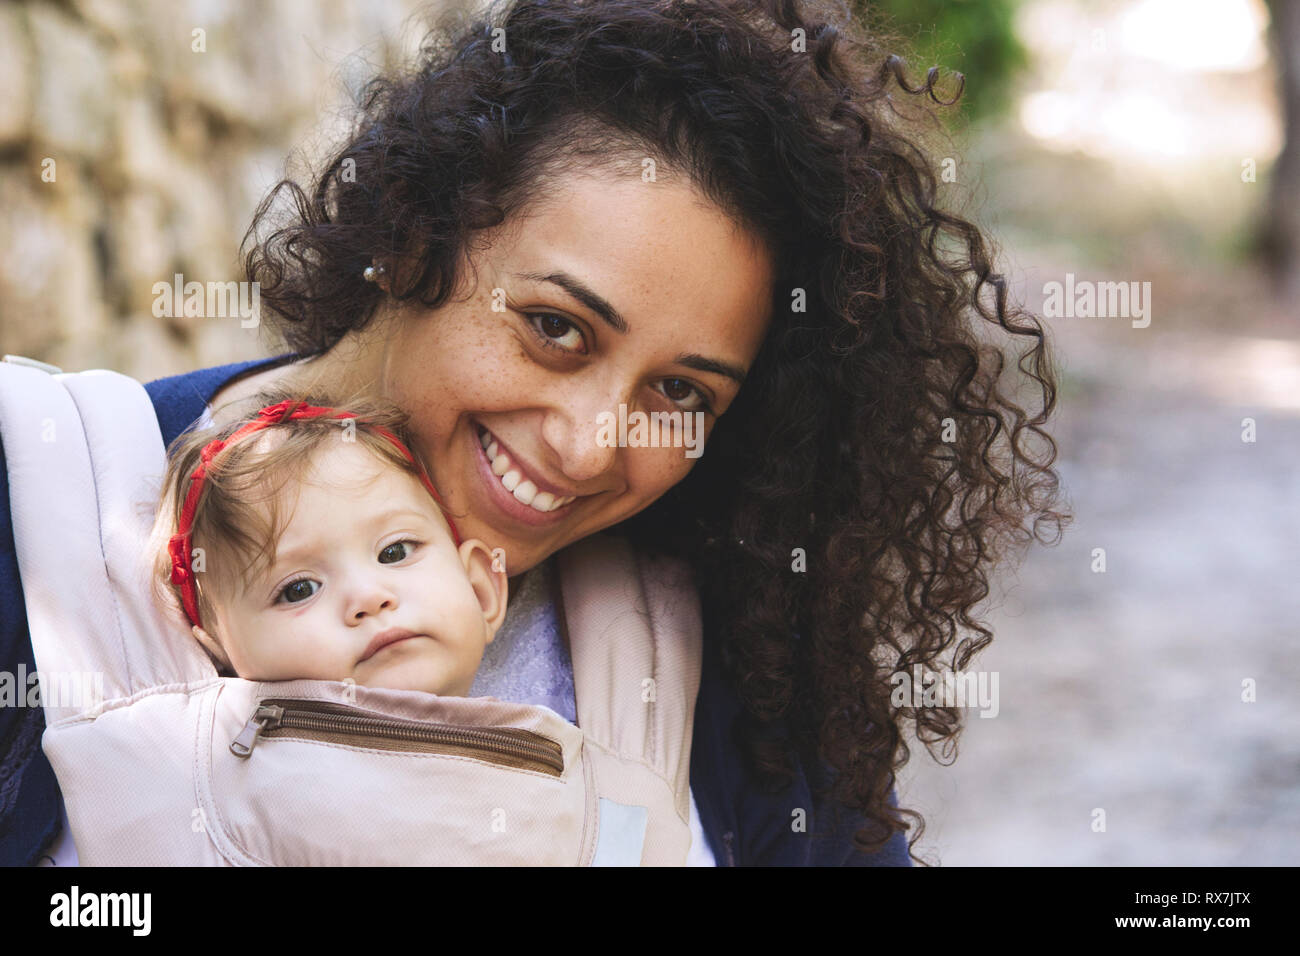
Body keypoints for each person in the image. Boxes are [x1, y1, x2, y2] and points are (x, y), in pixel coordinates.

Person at [1, 0, 1069, 866]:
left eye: (682, 394)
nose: (590, 443)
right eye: (555, 327)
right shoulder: (46, 514)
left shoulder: (728, 646)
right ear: (418, 230)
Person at [149, 391, 509, 699]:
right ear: (220, 659)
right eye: (299, 589)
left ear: (480, 591)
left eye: (394, 552)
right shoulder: (240, 777)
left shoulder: (556, 749)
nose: (368, 598)